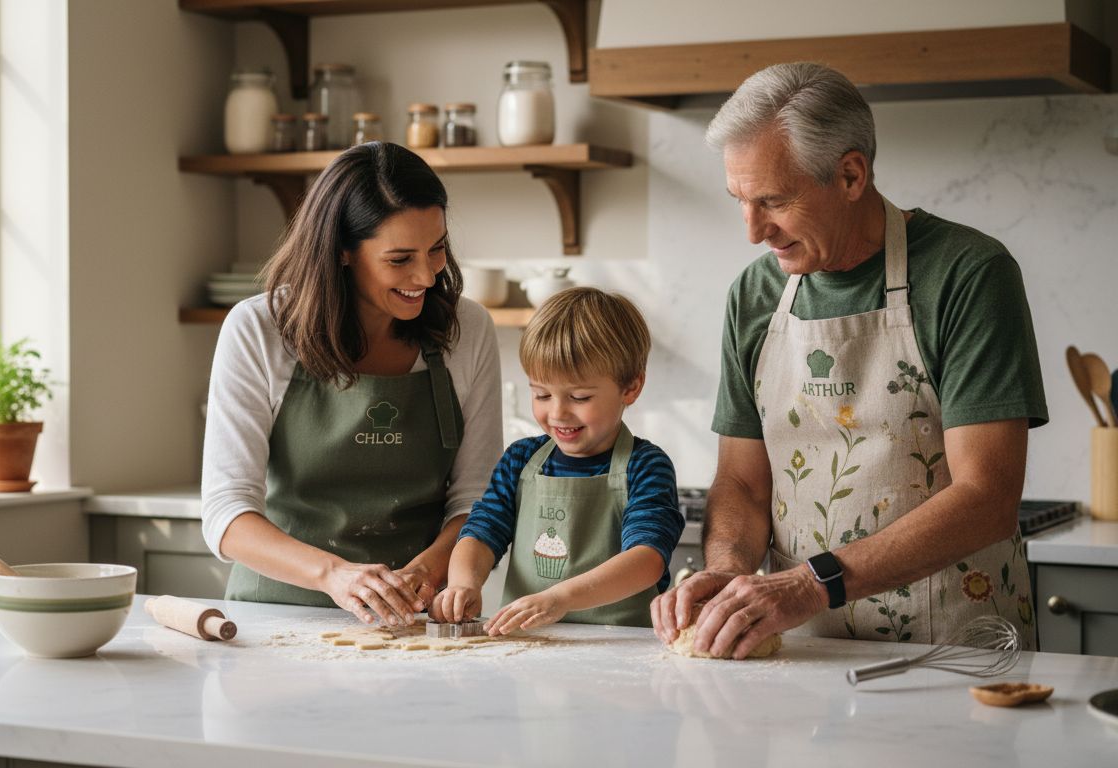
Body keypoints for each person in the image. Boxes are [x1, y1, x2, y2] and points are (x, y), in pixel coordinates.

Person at [651, 62, 1047, 658]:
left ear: (851, 175)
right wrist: (731, 573)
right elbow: (742, 482)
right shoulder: (754, 295)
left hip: (951, 650)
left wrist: (810, 583)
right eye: (739, 200)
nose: (754, 230)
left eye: (774, 200)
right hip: (803, 651)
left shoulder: (968, 274)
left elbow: (986, 496)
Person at [201, 142, 502, 627]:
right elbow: (225, 511)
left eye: (437, 248)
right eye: (400, 258)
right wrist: (335, 575)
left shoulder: (466, 330)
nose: (425, 276)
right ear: (341, 250)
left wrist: (427, 568)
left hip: (417, 621)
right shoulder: (258, 329)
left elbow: (478, 497)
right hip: (276, 619)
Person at [433, 287, 683, 633]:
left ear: (631, 387)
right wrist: (463, 583)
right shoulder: (521, 459)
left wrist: (560, 598)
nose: (558, 412)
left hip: (621, 652)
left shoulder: (645, 466)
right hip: (527, 648)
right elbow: (481, 531)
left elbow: (647, 559)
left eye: (579, 396)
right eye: (541, 394)